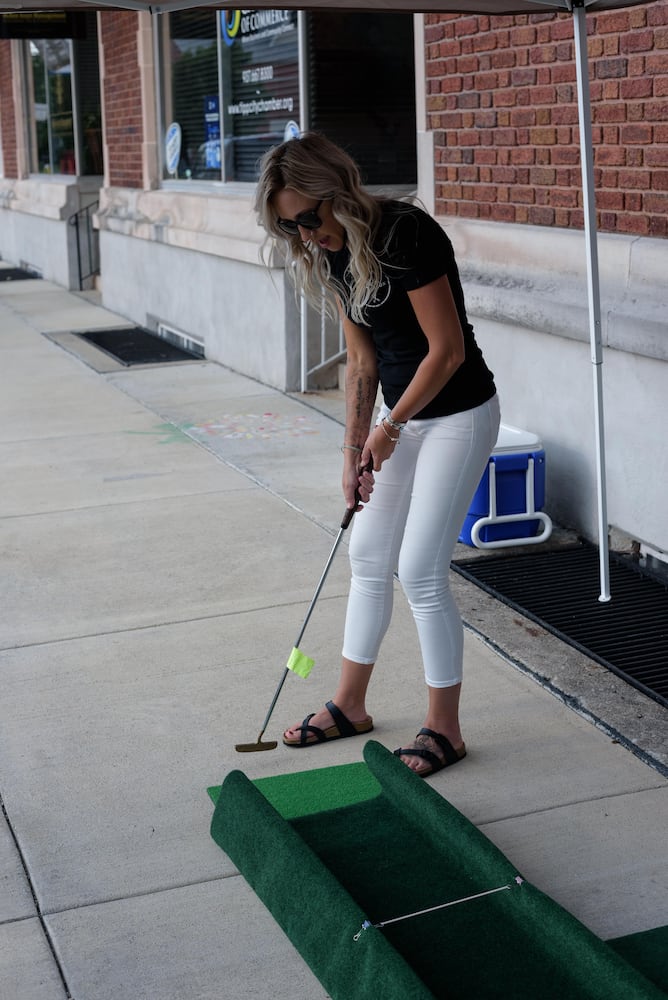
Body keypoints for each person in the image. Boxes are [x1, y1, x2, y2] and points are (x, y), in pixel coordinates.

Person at [254, 133, 500, 777]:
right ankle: (349, 705)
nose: (307, 235)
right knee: (367, 555)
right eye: (290, 226)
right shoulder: (331, 254)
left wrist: (389, 429)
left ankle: (444, 729)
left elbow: (445, 351)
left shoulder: (405, 235)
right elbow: (362, 362)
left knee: (420, 569)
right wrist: (352, 449)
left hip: (458, 414)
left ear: (341, 193)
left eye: (311, 217)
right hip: (401, 417)